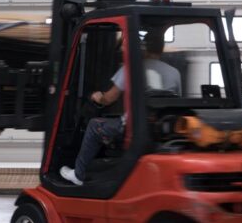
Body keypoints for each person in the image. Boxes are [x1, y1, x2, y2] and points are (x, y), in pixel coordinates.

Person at [60, 29, 181, 186]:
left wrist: (98, 96)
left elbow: (110, 98)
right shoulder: (175, 73)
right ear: (162, 48)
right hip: (159, 130)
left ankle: (78, 174)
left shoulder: (132, 69)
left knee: (94, 125)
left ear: (144, 47)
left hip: (132, 128)